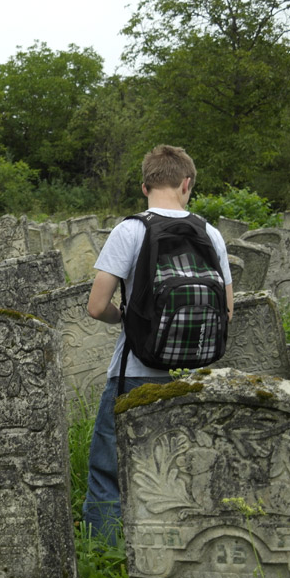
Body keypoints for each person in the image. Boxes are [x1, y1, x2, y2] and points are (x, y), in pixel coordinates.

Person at [82, 144, 233, 543]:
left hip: (134, 373)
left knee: (108, 473)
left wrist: (128, 321)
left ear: (144, 186)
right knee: (185, 474)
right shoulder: (210, 234)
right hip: (192, 376)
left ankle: (106, 562)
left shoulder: (130, 230)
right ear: (187, 184)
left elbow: (97, 307)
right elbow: (228, 312)